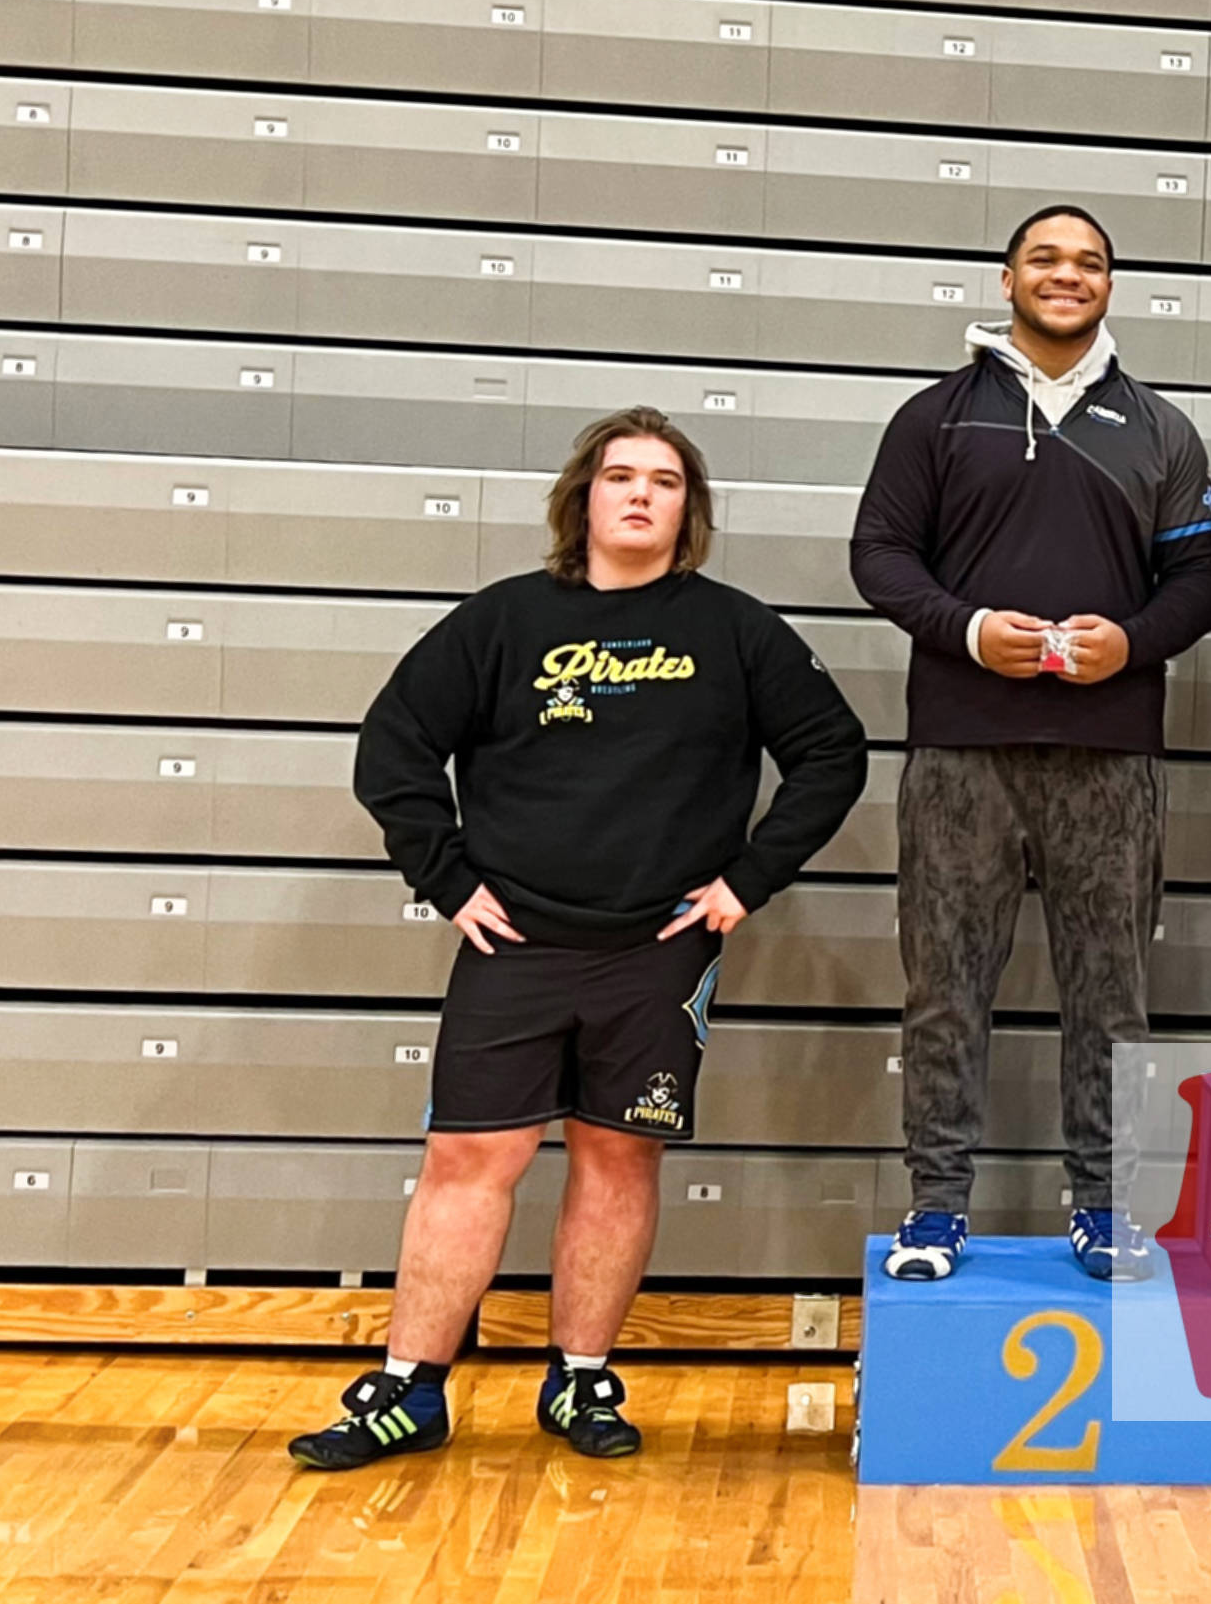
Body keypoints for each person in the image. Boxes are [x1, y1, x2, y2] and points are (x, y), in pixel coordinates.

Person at [290, 407, 868, 1468]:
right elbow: (395, 743)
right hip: (514, 943)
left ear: (688, 510)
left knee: (617, 1155)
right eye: (620, 476)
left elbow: (832, 752)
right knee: (469, 1155)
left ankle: (582, 1376)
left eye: (665, 480)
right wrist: (445, 877)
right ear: (583, 498)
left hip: (658, 948)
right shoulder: (504, 621)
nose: (641, 493)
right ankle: (410, 1386)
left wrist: (747, 881)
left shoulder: (736, 631)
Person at [852, 205, 1211, 1281]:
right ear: (1007, 278)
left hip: (1111, 756)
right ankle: (936, 1207)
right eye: (1046, 259)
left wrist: (1133, 644)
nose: (1068, 275)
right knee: (943, 988)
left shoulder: (1160, 428)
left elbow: (1199, 577)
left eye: (1090, 263)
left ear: (1110, 286)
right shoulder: (934, 417)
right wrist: (969, 630)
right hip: (959, 751)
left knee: (1111, 997)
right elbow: (879, 554)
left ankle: (1104, 1203)